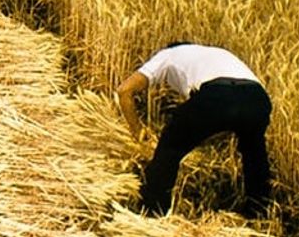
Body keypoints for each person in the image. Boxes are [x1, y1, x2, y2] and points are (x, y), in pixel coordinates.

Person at [115, 42, 273, 218]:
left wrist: (137, 131)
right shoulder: (217, 53)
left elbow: (124, 90)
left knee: (170, 144)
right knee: (254, 152)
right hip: (258, 98)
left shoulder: (168, 54)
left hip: (218, 93)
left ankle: (152, 211)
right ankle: (260, 213)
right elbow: (226, 113)